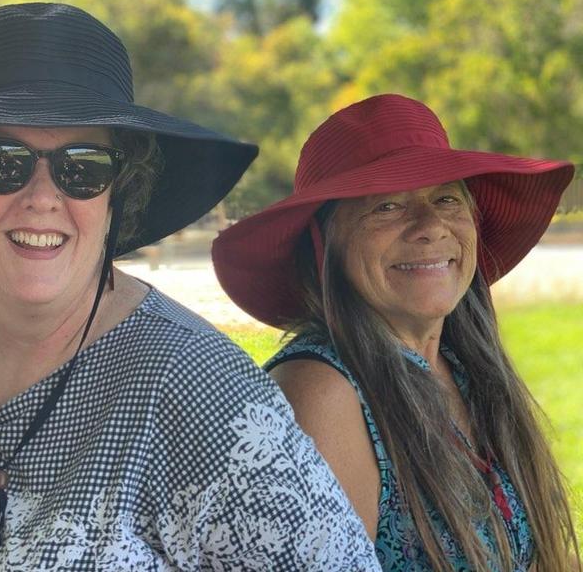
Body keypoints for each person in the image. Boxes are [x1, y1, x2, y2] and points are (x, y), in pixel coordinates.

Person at [0, 3, 380, 570]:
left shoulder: (198, 388)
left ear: (118, 197)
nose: (42, 197)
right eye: (1, 160)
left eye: (83, 166)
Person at [212, 94, 581, 571]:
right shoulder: (321, 393)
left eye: (446, 198)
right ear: (327, 246)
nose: (430, 227)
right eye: (386, 206)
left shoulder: (462, 365)